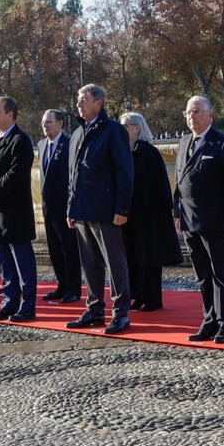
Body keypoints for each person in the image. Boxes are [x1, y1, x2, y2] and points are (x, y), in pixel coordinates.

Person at [175, 95, 224, 343]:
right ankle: (209, 320)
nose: (191, 116)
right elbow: (178, 182)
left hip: (216, 221)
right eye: (187, 112)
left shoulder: (223, 143)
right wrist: (177, 213)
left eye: (196, 111)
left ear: (210, 114)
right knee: (203, 274)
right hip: (190, 221)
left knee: (222, 274)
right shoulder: (184, 142)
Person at [66, 84, 134, 335]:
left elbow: (124, 171)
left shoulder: (113, 130)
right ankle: (94, 309)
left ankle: (121, 312)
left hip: (106, 210)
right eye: (78, 99)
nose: (79, 103)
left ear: (99, 103)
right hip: (82, 210)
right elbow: (72, 175)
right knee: (90, 264)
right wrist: (70, 208)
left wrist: (122, 208)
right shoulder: (77, 134)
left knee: (114, 263)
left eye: (84, 99)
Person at [0, 98, 36, 322]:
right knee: (5, 263)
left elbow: (14, 174)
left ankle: (28, 306)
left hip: (14, 213)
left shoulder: (20, 140)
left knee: (23, 262)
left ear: (10, 114)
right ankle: (9, 302)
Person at [120, 112, 182, 312]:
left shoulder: (148, 152)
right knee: (133, 257)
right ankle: (138, 296)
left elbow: (161, 185)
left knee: (149, 259)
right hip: (131, 215)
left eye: (125, 125)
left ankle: (153, 298)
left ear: (137, 128)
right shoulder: (124, 151)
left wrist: (167, 213)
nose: (121, 129)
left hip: (149, 216)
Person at [37, 108, 80, 304]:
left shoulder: (70, 144)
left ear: (60, 124)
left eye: (49, 122)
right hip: (48, 208)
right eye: (44, 122)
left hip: (65, 207)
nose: (45, 125)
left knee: (69, 250)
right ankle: (61, 285)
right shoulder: (42, 144)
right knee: (55, 250)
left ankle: (73, 288)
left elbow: (73, 178)